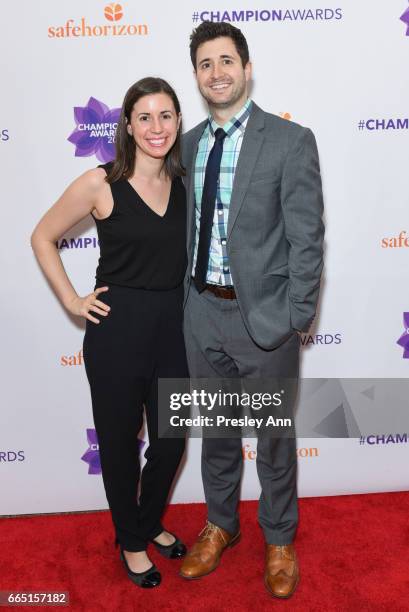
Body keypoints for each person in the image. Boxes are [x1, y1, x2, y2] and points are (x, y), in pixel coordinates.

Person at [179, 22, 325, 598]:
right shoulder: (186, 145)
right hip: (201, 314)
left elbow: (307, 237)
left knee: (272, 441)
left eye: (226, 61)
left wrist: (297, 316)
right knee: (215, 433)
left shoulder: (290, 141)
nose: (216, 72)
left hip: (265, 321)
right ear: (196, 74)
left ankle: (280, 538)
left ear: (247, 66)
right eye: (205, 64)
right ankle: (220, 525)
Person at [31, 77, 188, 589]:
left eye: (166, 115)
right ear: (127, 125)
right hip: (116, 332)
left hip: (174, 330)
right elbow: (43, 236)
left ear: (179, 121)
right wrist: (74, 301)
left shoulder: (186, 182)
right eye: (145, 116)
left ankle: (146, 522)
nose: (156, 127)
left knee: (169, 442)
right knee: (120, 444)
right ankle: (134, 540)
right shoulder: (100, 183)